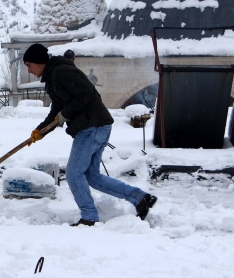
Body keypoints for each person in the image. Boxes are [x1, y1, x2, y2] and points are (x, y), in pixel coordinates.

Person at [23, 43, 157, 226]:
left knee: (73, 174)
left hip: (91, 126)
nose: (29, 70)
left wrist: (66, 114)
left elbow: (86, 94)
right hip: (97, 126)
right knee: (91, 176)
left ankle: (89, 216)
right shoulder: (53, 78)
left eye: (29, 65)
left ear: (39, 62)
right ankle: (140, 198)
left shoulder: (60, 72)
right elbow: (57, 110)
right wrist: (40, 131)